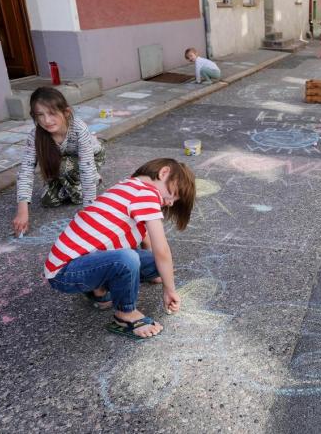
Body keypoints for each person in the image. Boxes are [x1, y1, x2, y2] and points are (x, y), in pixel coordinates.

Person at [44, 158, 196, 340]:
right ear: (164, 173)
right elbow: (161, 248)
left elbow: (148, 242)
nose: (171, 203)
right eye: (175, 194)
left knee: (158, 265)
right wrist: (169, 289)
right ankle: (125, 315)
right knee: (127, 259)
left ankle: (97, 290)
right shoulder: (146, 194)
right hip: (65, 273)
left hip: (84, 262)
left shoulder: (129, 186)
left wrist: (156, 271)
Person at [13, 87, 105, 236]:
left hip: (91, 158)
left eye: (52, 113)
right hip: (65, 163)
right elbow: (26, 171)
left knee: (64, 168)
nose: (46, 120)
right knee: (48, 200)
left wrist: (89, 212)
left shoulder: (78, 128)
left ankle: (94, 179)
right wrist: (22, 211)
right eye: (40, 115)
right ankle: (76, 183)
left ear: (66, 112)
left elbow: (86, 167)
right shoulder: (36, 136)